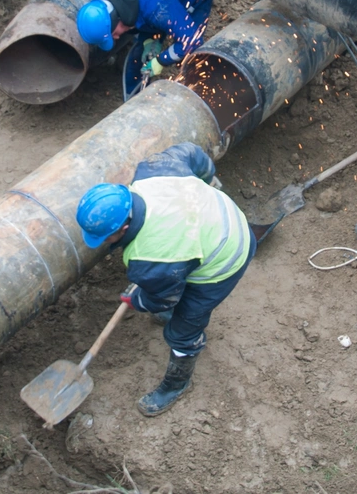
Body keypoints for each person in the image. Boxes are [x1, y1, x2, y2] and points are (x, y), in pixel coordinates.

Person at [76, 142, 255, 417]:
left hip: (227, 255)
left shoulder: (151, 260)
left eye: (104, 237)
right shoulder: (153, 170)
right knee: (172, 275)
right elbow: (191, 151)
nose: (101, 243)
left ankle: (177, 383)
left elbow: (162, 299)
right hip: (223, 218)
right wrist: (206, 180)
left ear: (124, 227)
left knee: (184, 327)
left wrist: (137, 299)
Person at [76, 0, 216, 79]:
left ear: (116, 19)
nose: (116, 37)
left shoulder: (158, 8)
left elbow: (192, 40)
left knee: (190, 55)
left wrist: (162, 60)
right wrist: (149, 41)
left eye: (113, 33)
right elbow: (141, 18)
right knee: (146, 47)